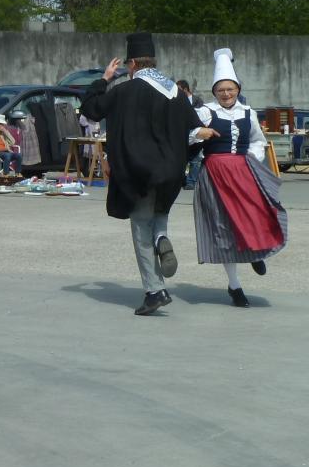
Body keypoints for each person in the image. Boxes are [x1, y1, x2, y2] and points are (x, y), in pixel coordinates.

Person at [80, 33, 201, 316]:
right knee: (158, 219)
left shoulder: (125, 91)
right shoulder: (175, 91)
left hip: (140, 173)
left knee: (140, 230)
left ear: (132, 63)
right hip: (170, 173)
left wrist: (104, 79)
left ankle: (154, 291)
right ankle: (162, 240)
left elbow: (91, 109)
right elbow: (194, 130)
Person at [189, 49, 288, 308]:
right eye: (221, 89)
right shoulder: (205, 112)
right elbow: (187, 135)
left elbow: (258, 141)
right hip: (215, 174)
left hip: (243, 172)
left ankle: (257, 251)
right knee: (224, 228)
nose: (225, 93)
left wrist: (250, 160)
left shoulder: (248, 113)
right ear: (214, 91)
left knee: (259, 213)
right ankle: (234, 286)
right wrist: (200, 133)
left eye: (230, 89)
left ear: (237, 88)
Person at [177, 80, 203, 189]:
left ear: (185, 89)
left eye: (179, 89)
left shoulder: (197, 100)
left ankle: (191, 182)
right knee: (181, 158)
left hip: (195, 132)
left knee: (195, 160)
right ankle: (181, 181)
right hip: (181, 132)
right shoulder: (175, 99)